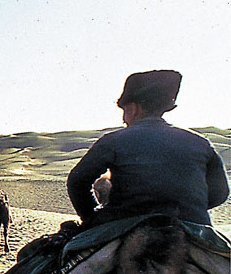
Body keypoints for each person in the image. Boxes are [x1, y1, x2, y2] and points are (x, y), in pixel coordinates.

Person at [67, 70, 228, 227]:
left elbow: (77, 181)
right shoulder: (201, 142)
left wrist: (92, 218)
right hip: (194, 226)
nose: (124, 118)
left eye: (124, 110)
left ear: (134, 107)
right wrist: (189, 208)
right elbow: (221, 192)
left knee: (61, 250)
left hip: (123, 224)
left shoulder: (113, 141)